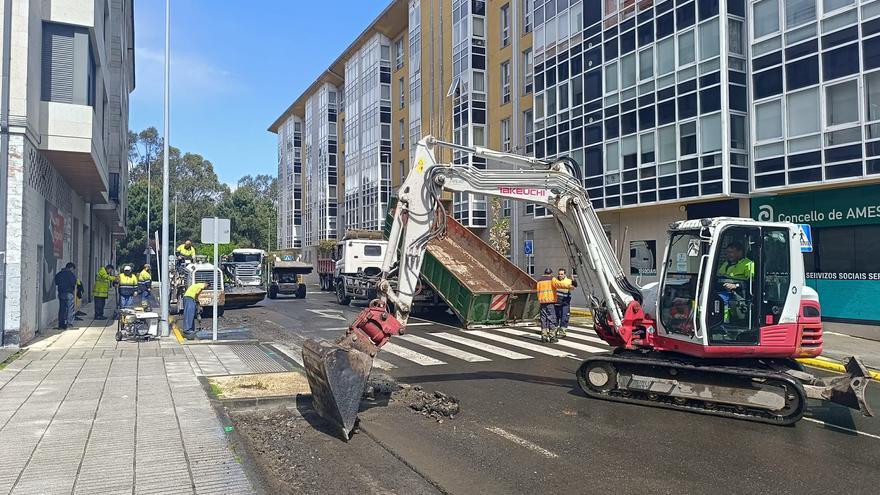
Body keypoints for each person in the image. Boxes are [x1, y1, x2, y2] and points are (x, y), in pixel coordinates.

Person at [717, 240, 755, 324]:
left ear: (740, 252)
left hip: (739, 294)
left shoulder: (749, 264)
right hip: (723, 290)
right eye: (727, 252)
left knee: (723, 300)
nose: (728, 255)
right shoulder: (726, 264)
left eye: (731, 252)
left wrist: (736, 285)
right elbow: (719, 276)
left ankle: (725, 322)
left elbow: (752, 283)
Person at [551, 268, 577, 338]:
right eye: (559, 274)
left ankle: (562, 332)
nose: (560, 275)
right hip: (556, 302)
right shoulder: (555, 280)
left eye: (561, 274)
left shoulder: (568, 281)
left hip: (565, 303)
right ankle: (554, 331)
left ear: (565, 274)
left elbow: (574, 286)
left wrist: (574, 280)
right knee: (555, 318)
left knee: (564, 318)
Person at [536, 268, 559, 343]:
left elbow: (538, 290)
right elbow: (559, 284)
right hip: (550, 301)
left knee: (543, 319)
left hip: (542, 302)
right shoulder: (552, 279)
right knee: (552, 318)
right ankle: (552, 337)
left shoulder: (539, 280)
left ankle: (544, 336)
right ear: (551, 273)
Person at [54, 262, 77, 329]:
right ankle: (69, 324)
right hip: (69, 293)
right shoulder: (71, 274)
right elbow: (74, 283)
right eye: (73, 269)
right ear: (71, 268)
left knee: (62, 309)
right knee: (70, 309)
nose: (73, 271)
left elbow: (56, 282)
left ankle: (61, 324)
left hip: (61, 293)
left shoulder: (59, 274)